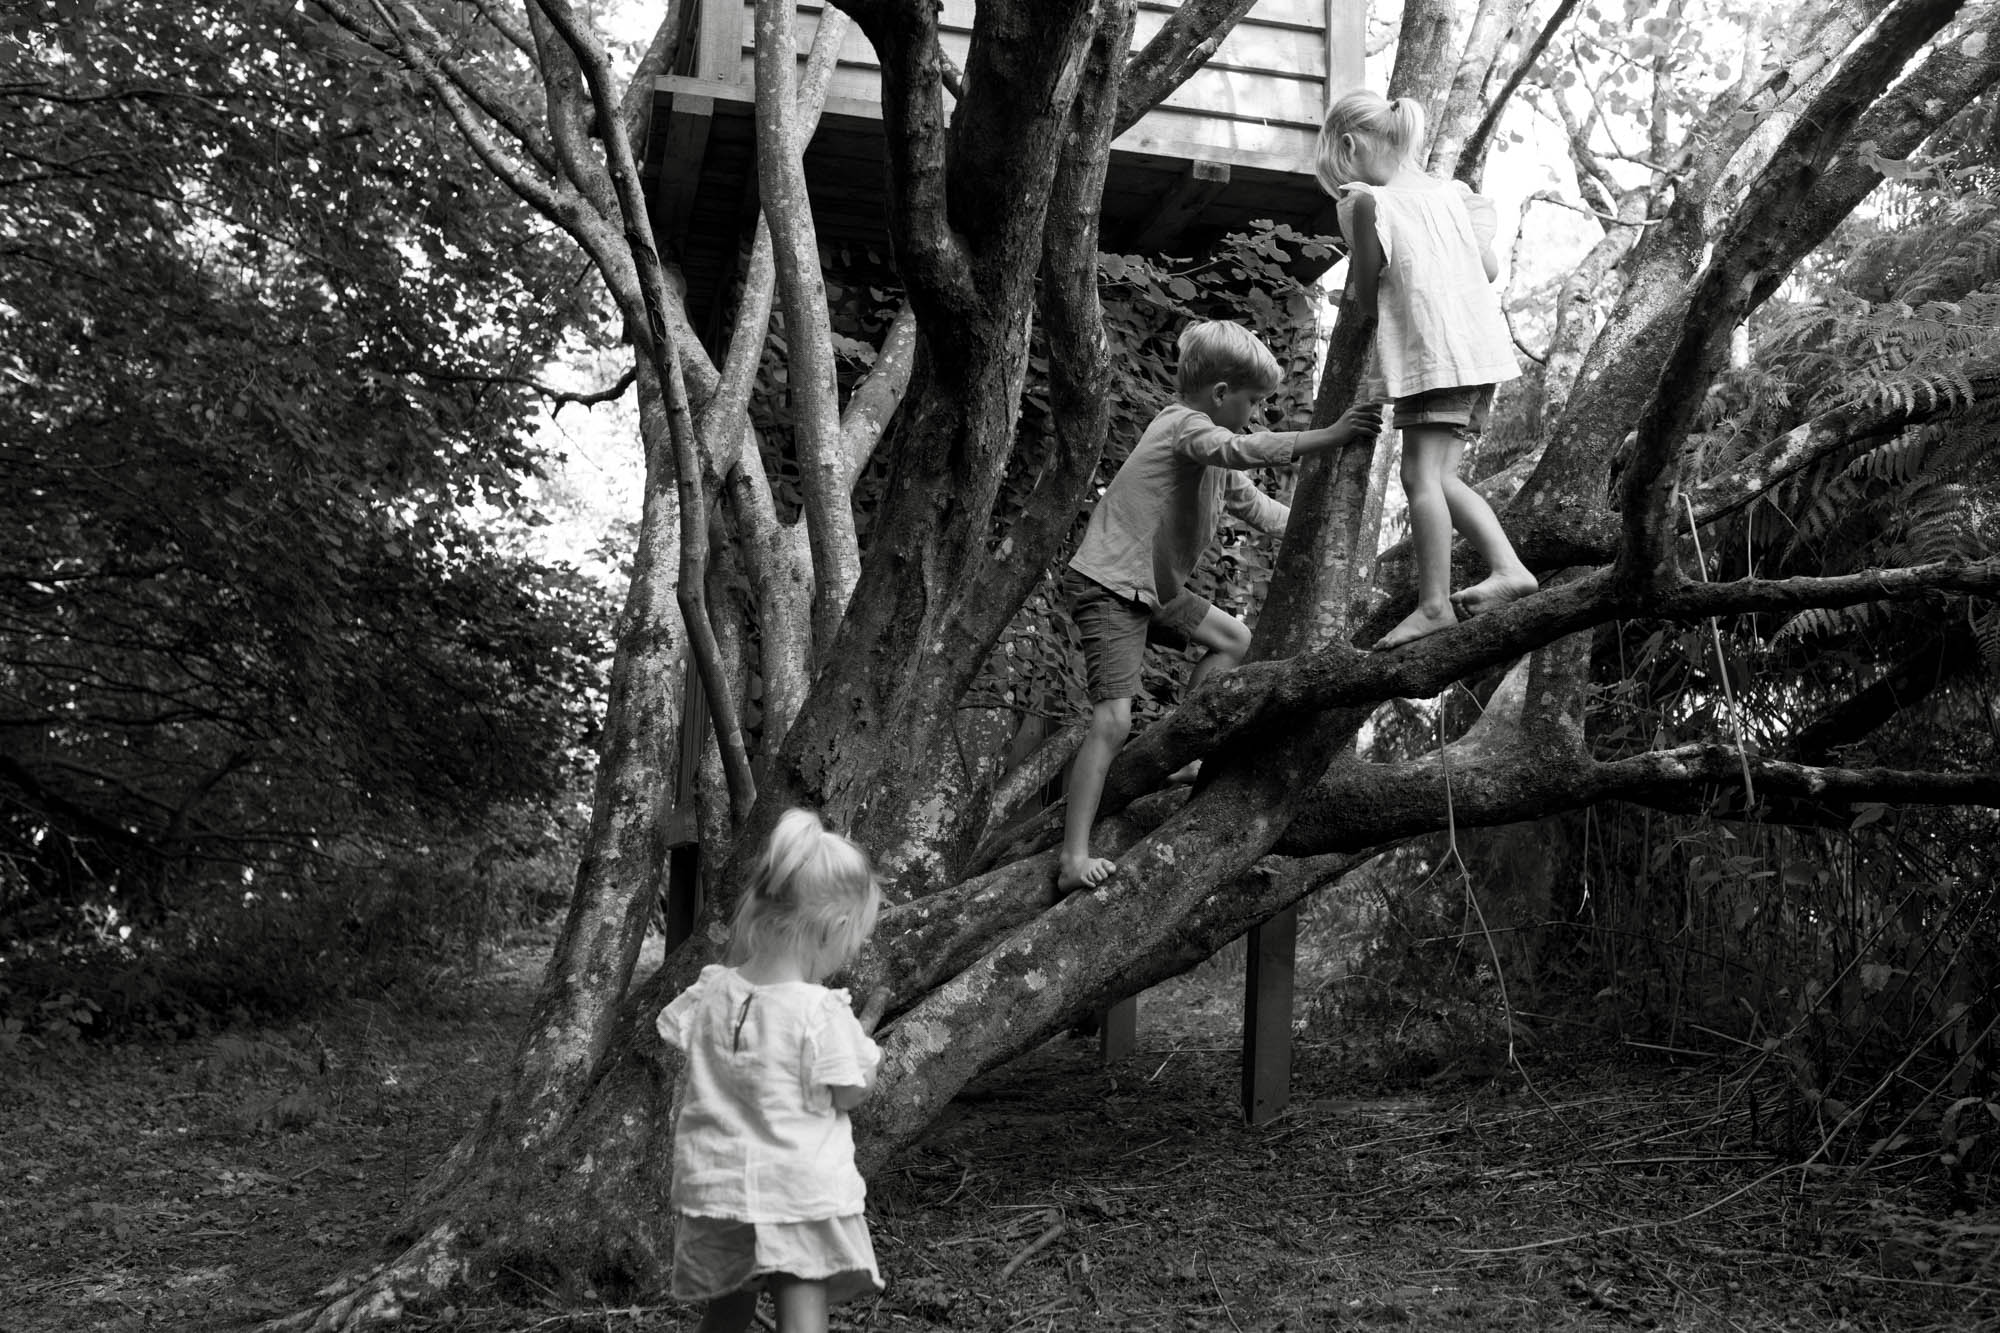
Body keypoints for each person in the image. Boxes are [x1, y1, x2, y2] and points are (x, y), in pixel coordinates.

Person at [1058, 320, 1384, 891]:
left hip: (1152, 590)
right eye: (1253, 401)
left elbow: (1258, 509)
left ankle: (1186, 747)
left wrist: (1341, 536)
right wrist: (1328, 436)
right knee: (1112, 721)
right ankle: (1072, 858)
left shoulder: (1210, 455)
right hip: (1112, 585)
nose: (1256, 413)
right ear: (1219, 395)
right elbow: (1240, 450)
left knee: (1234, 640)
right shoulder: (1183, 426)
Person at [1314, 88, 1538, 651]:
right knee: (1438, 477)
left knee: (1419, 477)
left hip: (1434, 356)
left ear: (1350, 145)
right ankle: (1508, 570)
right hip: (1478, 354)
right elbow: (1487, 268)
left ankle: (1435, 605)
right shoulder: (1453, 196)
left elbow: (1367, 296)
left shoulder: (1369, 202)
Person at [655, 808, 885, 1333]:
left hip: (717, 1189)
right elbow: (848, 1093)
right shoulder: (821, 1012)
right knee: (801, 1295)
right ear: (834, 928)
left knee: (727, 1306)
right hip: (796, 1192)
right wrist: (867, 1062)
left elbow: (683, 1040)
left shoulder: (711, 991)